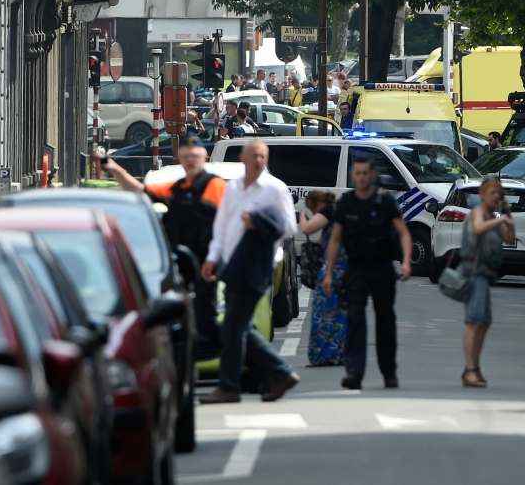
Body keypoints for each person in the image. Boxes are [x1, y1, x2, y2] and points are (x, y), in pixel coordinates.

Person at [95, 138, 228, 355]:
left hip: (208, 262)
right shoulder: (176, 189)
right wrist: (112, 167)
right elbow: (138, 190)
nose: (191, 161)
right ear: (181, 159)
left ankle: (246, 358)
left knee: (207, 315)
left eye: (195, 156)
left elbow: (229, 223)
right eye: (186, 157)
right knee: (184, 315)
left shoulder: (216, 186)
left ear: (204, 158)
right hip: (180, 264)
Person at [200, 140, 300, 404]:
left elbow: (290, 226)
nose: (258, 160)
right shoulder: (232, 188)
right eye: (254, 155)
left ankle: (231, 385)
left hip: (258, 263)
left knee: (234, 326)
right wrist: (212, 257)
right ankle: (278, 373)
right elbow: (221, 227)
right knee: (238, 327)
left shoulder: (274, 188)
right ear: (243, 157)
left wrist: (257, 222)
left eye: (263, 156)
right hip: (232, 264)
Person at [323, 156, 412, 390]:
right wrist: (329, 273)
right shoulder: (347, 203)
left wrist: (405, 262)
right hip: (357, 268)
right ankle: (354, 373)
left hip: (382, 267)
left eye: (365, 173)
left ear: (372, 175)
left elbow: (403, 232)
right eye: (358, 173)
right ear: (354, 175)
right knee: (354, 318)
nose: (362, 177)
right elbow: (335, 239)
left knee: (385, 321)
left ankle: (389, 372)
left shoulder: (385, 201)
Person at [459, 178, 514, 387]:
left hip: (486, 274)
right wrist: (500, 221)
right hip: (473, 272)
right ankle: (470, 369)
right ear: (482, 194)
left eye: (499, 193)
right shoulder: (478, 213)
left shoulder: (494, 216)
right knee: (473, 320)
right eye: (492, 192)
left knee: (484, 321)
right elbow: (479, 228)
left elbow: (510, 238)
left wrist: (507, 215)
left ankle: (474, 367)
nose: (496, 196)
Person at [299, 190, 347, 366]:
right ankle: (337, 353)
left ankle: (320, 354)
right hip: (344, 267)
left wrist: (302, 216)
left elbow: (307, 228)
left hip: (332, 267)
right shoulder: (338, 211)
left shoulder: (328, 211)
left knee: (322, 310)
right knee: (339, 311)